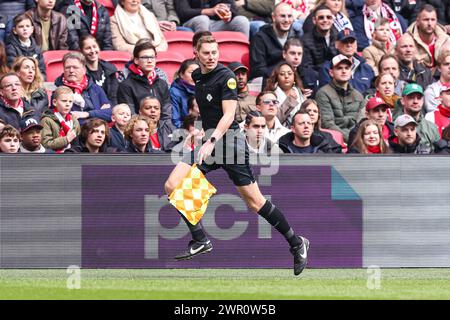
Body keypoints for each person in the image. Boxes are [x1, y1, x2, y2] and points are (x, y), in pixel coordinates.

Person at [164, 35, 310, 276]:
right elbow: (211, 114)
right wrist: (201, 132)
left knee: (255, 202)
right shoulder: (198, 77)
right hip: (210, 141)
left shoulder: (226, 77)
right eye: (206, 53)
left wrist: (211, 141)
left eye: (214, 52)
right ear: (196, 54)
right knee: (172, 185)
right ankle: (200, 239)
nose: (211, 57)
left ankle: (297, 243)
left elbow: (229, 115)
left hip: (229, 144)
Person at [315, 54, 364, 142]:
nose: (344, 71)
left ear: (351, 71)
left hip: (356, 141)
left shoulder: (358, 96)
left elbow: (361, 124)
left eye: (347, 68)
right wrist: (351, 139)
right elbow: (327, 124)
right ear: (331, 72)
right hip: (333, 142)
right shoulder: (323, 93)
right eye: (339, 68)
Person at [117, 41, 171, 119]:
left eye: (152, 57)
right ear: (136, 60)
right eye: (145, 57)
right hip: (139, 129)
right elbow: (131, 116)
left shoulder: (162, 84)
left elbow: (167, 114)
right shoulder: (126, 86)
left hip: (161, 128)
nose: (149, 61)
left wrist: (163, 130)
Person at [54, 51, 112, 124]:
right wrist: (99, 113)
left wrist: (87, 114)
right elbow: (66, 117)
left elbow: (110, 114)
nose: (71, 71)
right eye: (68, 67)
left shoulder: (95, 88)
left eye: (75, 67)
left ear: (84, 70)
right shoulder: (58, 91)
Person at [318, 28, 375, 94]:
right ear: (336, 44)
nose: (349, 45)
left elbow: (374, 89)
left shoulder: (366, 68)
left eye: (352, 42)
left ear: (356, 45)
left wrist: (367, 96)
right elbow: (326, 94)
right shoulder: (327, 68)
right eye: (345, 42)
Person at [249, 2, 294, 81]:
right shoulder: (260, 38)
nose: (287, 20)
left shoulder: (295, 37)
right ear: (273, 17)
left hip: (290, 80)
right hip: (268, 81)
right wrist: (280, 76)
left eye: (289, 16)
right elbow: (258, 69)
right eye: (282, 16)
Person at [396, 82, 440, 151]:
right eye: (411, 98)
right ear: (402, 101)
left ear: (423, 101)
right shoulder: (394, 124)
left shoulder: (431, 127)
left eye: (419, 98)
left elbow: (439, 155)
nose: (415, 101)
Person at [79, 34, 120, 106]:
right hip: (92, 111)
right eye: (88, 48)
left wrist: (109, 106)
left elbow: (114, 96)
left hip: (111, 110)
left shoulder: (110, 70)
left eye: (94, 47)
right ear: (82, 51)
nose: (92, 50)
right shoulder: (80, 73)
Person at [407, 4, 449, 71]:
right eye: (426, 20)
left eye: (432, 20)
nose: (429, 23)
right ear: (417, 21)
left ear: (436, 21)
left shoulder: (446, 40)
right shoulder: (406, 41)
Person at [175, 0, 250, 38]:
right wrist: (209, 11)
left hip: (215, 23)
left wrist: (229, 14)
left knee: (242, 21)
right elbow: (183, 12)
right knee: (203, 19)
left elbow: (232, 7)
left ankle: (241, 59)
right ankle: (201, 56)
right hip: (191, 22)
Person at [264, 61, 307, 127]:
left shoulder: (299, 92)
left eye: (289, 74)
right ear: (276, 77)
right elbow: (273, 120)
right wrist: (290, 101)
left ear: (294, 76)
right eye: (282, 74)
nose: (286, 76)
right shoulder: (270, 94)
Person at [41, 86, 81, 153]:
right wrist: (66, 139)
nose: (67, 104)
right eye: (64, 101)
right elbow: (45, 144)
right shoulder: (47, 120)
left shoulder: (74, 120)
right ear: (54, 102)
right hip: (54, 158)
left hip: (73, 156)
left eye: (70, 102)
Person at [300, 4, 338, 72]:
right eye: (321, 17)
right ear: (314, 20)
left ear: (332, 20)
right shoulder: (305, 41)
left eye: (328, 17)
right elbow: (307, 68)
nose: (325, 20)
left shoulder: (338, 37)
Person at [12, 56, 49, 120]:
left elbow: (46, 116)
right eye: (26, 68)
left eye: (33, 69)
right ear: (18, 72)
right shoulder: (12, 93)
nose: (30, 71)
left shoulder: (42, 94)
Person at [170, 59, 199, 128]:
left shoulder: (205, 89)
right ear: (181, 74)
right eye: (191, 72)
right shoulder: (174, 92)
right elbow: (175, 120)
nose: (194, 75)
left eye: (198, 72)